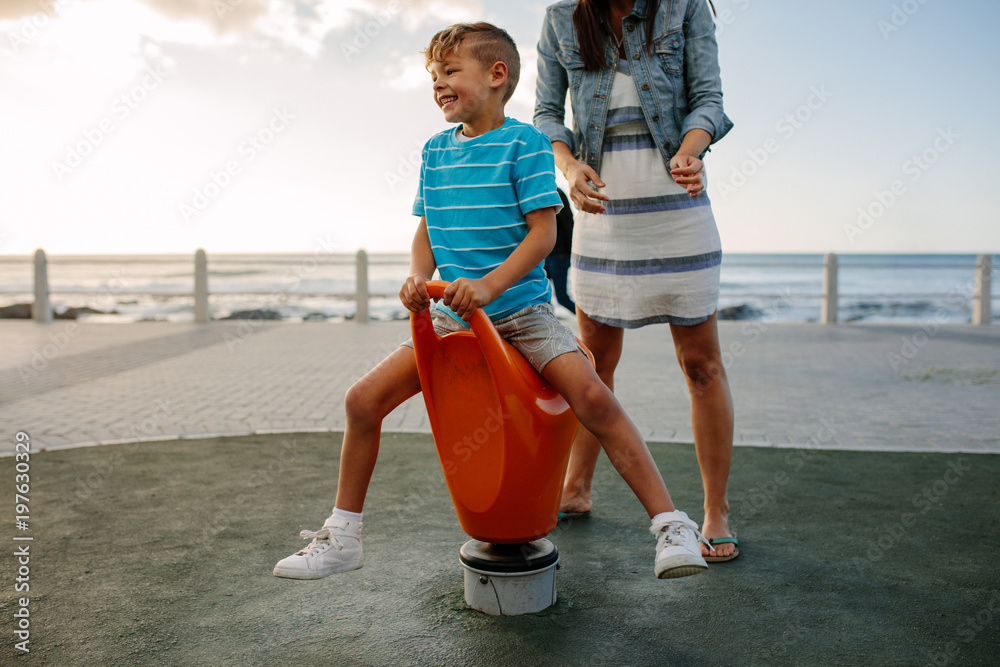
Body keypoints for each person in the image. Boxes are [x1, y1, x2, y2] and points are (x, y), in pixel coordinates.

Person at [273, 21, 712, 582]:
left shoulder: (524, 143)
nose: (438, 84)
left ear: (497, 76)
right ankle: (343, 537)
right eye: (434, 75)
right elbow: (427, 232)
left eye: (450, 71)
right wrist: (416, 278)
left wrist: (489, 287)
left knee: (593, 400)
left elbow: (543, 236)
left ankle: (671, 526)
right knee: (362, 401)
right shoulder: (434, 152)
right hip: (450, 319)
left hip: (522, 315)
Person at [534, 0, 739, 562]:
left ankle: (716, 510)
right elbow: (547, 113)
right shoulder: (562, 17)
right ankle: (576, 488)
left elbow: (710, 102)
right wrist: (569, 166)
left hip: (679, 206)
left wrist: (692, 152)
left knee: (702, 364)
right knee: (591, 367)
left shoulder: (685, 8)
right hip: (603, 213)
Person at [545, 187, 577, 314]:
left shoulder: (556, 193)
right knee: (541, 297)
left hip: (559, 256)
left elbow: (569, 224)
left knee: (562, 298)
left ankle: (591, 323)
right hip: (545, 256)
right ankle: (548, 323)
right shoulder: (540, 191)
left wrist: (571, 255)